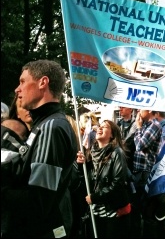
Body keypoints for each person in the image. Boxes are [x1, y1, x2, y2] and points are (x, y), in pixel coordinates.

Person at [1, 59, 78, 238]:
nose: (17, 89)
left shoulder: (51, 126)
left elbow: (39, 201)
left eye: (22, 82)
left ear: (43, 82)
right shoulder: (44, 124)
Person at [76, 119, 131, 238]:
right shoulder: (91, 153)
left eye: (105, 127)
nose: (99, 128)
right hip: (95, 210)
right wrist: (81, 166)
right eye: (99, 126)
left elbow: (118, 183)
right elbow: (85, 180)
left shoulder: (117, 153)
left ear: (112, 135)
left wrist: (95, 197)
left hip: (111, 211)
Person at [132, 109, 162, 238]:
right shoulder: (144, 125)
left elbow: (139, 145)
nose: (137, 110)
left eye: (140, 108)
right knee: (137, 210)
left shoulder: (155, 125)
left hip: (145, 173)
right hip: (138, 172)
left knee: (146, 211)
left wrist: (138, 128)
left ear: (149, 109)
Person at [117, 106, 137, 172]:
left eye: (123, 107)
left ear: (130, 109)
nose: (120, 109)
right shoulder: (118, 124)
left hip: (132, 158)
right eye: (119, 107)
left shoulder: (136, 123)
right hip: (120, 158)